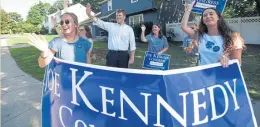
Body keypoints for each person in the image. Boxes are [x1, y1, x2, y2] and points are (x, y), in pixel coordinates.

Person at [181, 1, 245, 67]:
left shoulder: (233, 38)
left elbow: (238, 64)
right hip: (202, 75)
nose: (208, 16)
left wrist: (228, 60)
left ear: (218, 18)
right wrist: (189, 7)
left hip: (220, 75)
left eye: (211, 14)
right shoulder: (200, 36)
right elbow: (184, 27)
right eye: (205, 15)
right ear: (203, 20)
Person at [28, 12, 92, 67]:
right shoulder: (56, 42)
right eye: (61, 22)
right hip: (63, 81)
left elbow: (88, 59)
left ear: (75, 24)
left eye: (67, 22)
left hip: (81, 80)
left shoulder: (85, 42)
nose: (63, 24)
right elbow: (42, 64)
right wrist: (45, 51)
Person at [85, 3, 136, 68]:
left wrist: (132, 57)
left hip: (124, 55)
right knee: (110, 75)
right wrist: (89, 14)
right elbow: (99, 22)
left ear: (124, 17)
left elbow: (132, 44)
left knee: (123, 76)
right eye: (117, 15)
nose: (118, 17)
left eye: (120, 15)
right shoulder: (111, 26)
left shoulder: (129, 29)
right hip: (112, 55)